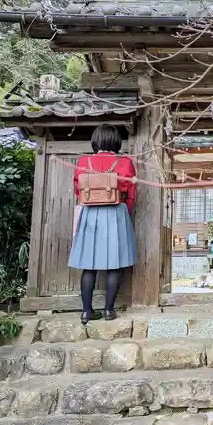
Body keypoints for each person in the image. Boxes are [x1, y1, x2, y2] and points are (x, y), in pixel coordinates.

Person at [69, 124, 137, 324]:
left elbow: (78, 191)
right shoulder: (125, 162)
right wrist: (125, 210)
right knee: (115, 264)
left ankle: (86, 312)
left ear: (96, 140)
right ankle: (109, 311)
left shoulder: (83, 161)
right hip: (116, 212)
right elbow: (131, 194)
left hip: (90, 213)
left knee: (88, 266)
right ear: (116, 141)